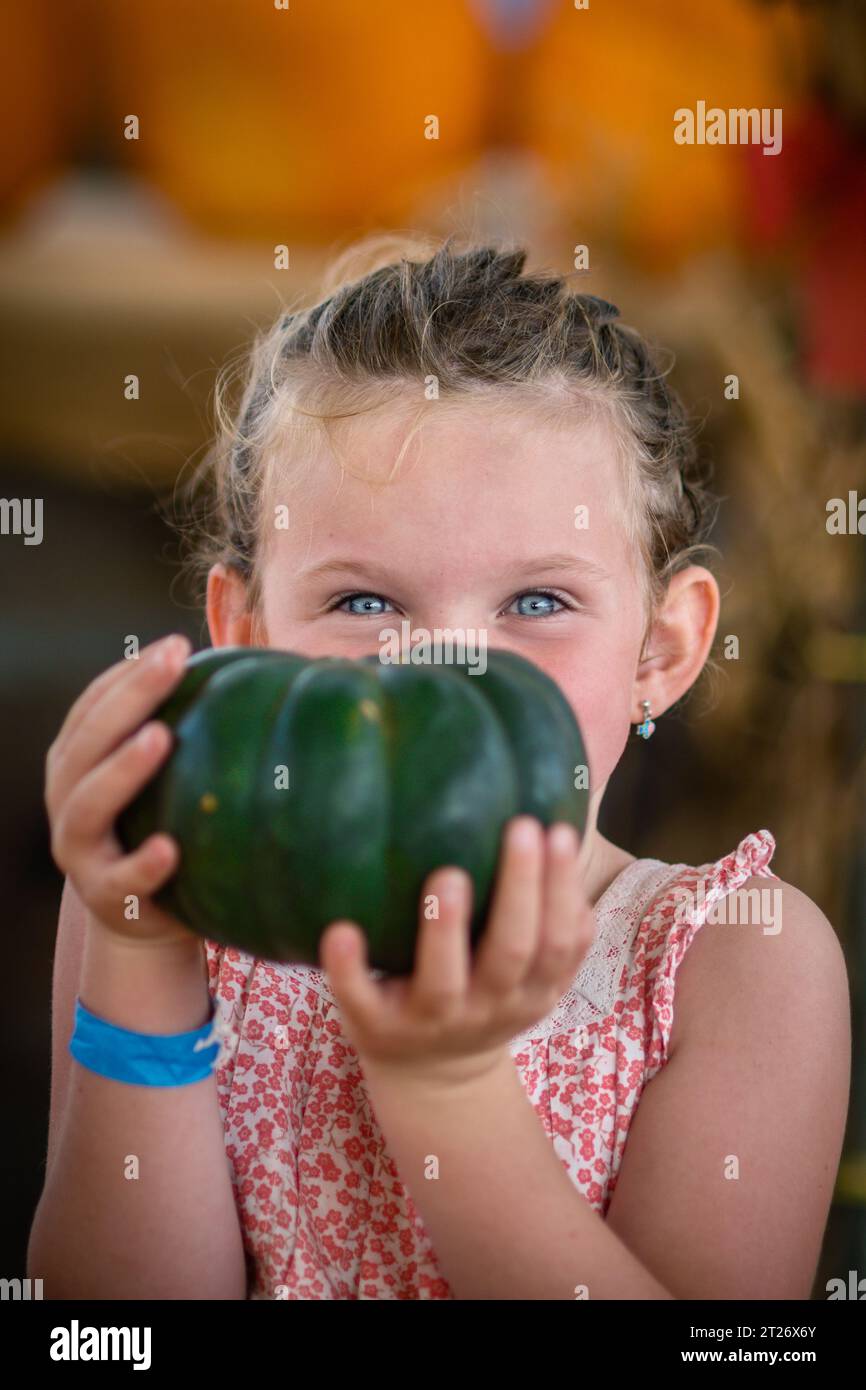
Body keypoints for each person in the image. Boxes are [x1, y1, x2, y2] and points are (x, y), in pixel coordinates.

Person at [28, 236, 851, 1299]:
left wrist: (448, 1091)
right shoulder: (169, 904)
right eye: (363, 603)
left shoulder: (735, 964)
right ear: (245, 637)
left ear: (662, 650)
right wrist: (139, 951)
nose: (439, 670)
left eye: (537, 603)